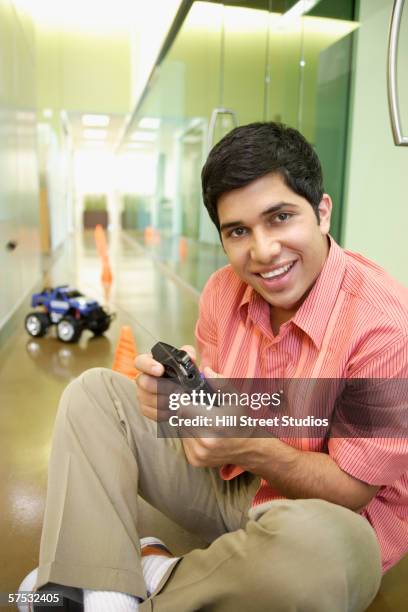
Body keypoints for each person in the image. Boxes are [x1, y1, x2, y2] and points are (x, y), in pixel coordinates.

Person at [26, 123, 407, 611]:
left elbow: (352, 491)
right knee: (94, 394)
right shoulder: (222, 292)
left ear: (322, 212)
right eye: (239, 231)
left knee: (320, 555)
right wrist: (180, 403)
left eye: (281, 217)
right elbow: (219, 406)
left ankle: (151, 575)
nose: (263, 251)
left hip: (328, 518)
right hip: (236, 484)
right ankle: (108, 591)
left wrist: (249, 443)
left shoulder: (387, 328)